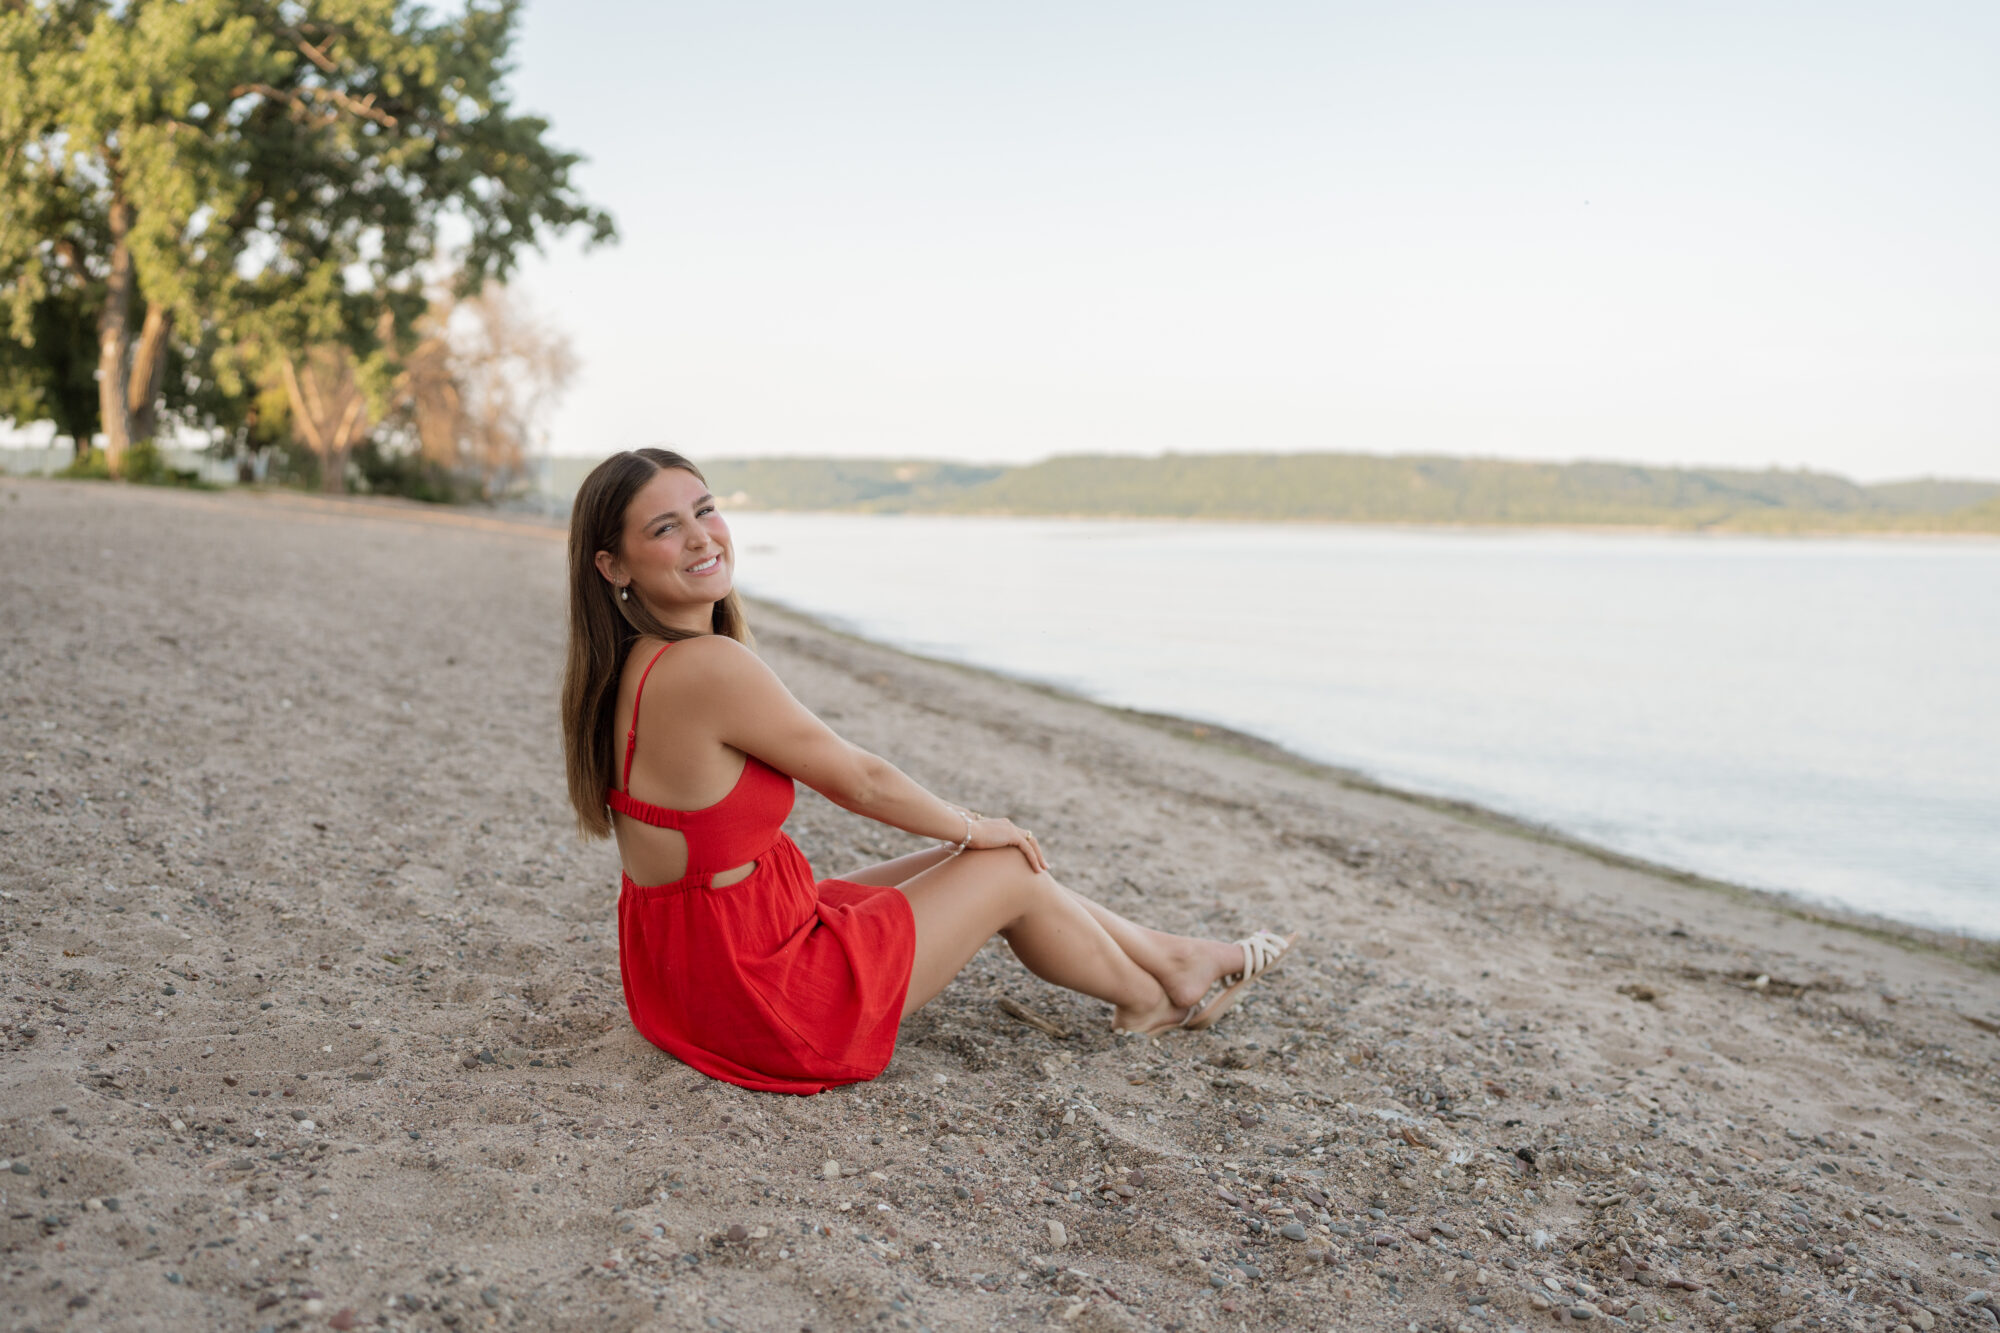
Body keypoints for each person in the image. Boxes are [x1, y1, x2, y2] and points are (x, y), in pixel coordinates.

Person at [560, 448, 1297, 1094]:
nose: (701, 536)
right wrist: (976, 824)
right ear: (613, 565)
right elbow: (860, 780)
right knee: (1003, 860)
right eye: (665, 527)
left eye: (706, 509)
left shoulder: (631, 663)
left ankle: (1176, 959)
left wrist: (963, 838)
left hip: (697, 974)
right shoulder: (708, 665)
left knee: (975, 859)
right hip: (764, 1003)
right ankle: (1157, 998)